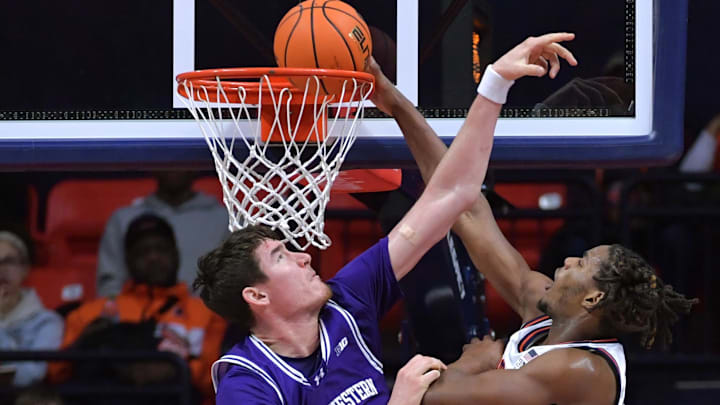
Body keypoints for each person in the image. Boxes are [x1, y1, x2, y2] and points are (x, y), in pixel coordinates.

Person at [193, 33, 579, 404]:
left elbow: (452, 195)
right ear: (257, 296)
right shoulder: (246, 384)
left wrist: (495, 82)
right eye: (281, 256)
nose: (304, 256)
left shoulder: (346, 298)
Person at [368, 39, 699, 405]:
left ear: (594, 297)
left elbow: (433, 397)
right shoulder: (540, 308)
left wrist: (469, 362)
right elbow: (463, 205)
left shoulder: (579, 370)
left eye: (583, 263)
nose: (569, 260)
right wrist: (394, 102)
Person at [49, 214, 226, 398]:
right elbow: (55, 375)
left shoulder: (207, 314)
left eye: (161, 249)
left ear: (176, 254)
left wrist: (177, 368)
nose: (153, 257)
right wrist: (85, 346)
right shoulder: (88, 314)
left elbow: (215, 384)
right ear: (128, 261)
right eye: (142, 252)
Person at [97, 171, 229, 297]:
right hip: (135, 317)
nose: (174, 166)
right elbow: (110, 288)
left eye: (180, 155)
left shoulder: (225, 219)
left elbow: (232, 285)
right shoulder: (123, 219)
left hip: (208, 318)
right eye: (169, 154)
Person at [0, 231, 64, 387]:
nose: (1, 268)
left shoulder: (47, 321)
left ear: (25, 269)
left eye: (9, 261)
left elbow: (33, 375)